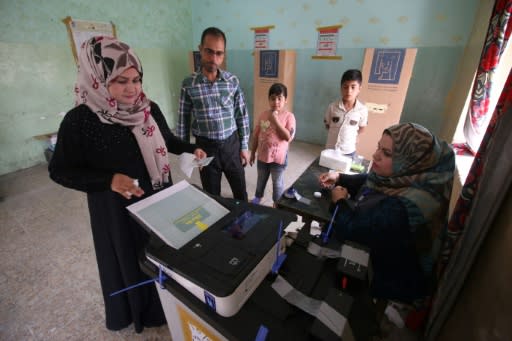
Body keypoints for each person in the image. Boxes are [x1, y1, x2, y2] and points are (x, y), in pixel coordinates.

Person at [48, 36, 206, 333]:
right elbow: (59, 171)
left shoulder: (147, 107)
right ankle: (140, 311)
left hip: (158, 197)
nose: (132, 89)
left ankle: (165, 303)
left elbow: (168, 140)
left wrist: (189, 148)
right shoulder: (80, 119)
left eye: (136, 79)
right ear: (97, 78)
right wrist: (108, 180)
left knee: (160, 253)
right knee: (131, 258)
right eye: (120, 81)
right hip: (117, 209)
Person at [319, 123, 455, 311]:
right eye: (378, 147)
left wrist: (339, 202)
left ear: (410, 160)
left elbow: (351, 231)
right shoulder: (405, 177)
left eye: (388, 153)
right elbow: (371, 180)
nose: (375, 155)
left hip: (392, 280)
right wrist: (341, 178)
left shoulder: (405, 208)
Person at [177, 27, 250, 201]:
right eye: (209, 51)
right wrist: (187, 152)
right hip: (205, 149)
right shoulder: (189, 84)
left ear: (224, 55)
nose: (214, 58)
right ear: (200, 49)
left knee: (241, 193)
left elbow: (242, 115)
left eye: (219, 53)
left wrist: (245, 146)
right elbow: (183, 122)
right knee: (212, 197)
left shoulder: (232, 81)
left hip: (232, 146)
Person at [249, 83, 296, 207]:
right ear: (269, 99)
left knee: (277, 182)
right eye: (273, 98)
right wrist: (253, 152)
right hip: (263, 156)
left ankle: (277, 203)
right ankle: (258, 197)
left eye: (280, 98)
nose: (276, 102)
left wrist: (275, 120)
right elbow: (256, 135)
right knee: (261, 179)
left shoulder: (289, 117)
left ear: (285, 100)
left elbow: (288, 137)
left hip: (278, 159)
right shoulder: (263, 115)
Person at [323, 69, 368, 158]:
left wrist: (351, 135)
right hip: (331, 149)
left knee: (344, 172)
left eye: (353, 87)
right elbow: (328, 125)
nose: (349, 91)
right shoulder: (332, 107)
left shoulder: (362, 110)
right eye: (345, 87)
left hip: (348, 150)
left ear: (359, 89)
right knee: (328, 170)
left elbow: (362, 128)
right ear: (341, 88)